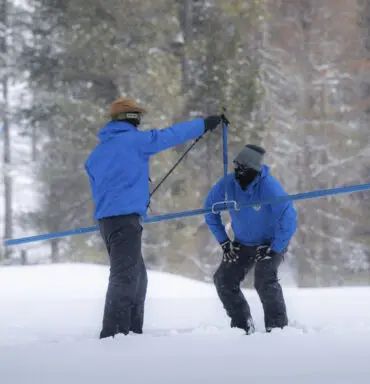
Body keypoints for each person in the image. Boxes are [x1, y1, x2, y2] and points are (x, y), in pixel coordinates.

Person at [85, 97, 223, 339]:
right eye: (138, 116)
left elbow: (100, 180)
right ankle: (114, 335)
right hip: (125, 219)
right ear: (131, 118)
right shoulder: (136, 141)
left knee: (137, 277)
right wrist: (205, 124)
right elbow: (171, 135)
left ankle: (131, 332)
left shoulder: (98, 153)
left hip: (107, 221)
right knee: (125, 276)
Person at [203, 144, 297, 334]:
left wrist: (275, 248)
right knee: (223, 280)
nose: (238, 174)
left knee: (264, 278)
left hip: (269, 243)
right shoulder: (228, 185)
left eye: (243, 170)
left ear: (255, 170)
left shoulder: (269, 187)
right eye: (236, 168)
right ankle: (242, 325)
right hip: (243, 243)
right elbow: (209, 210)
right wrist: (224, 241)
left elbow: (289, 219)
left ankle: (277, 329)